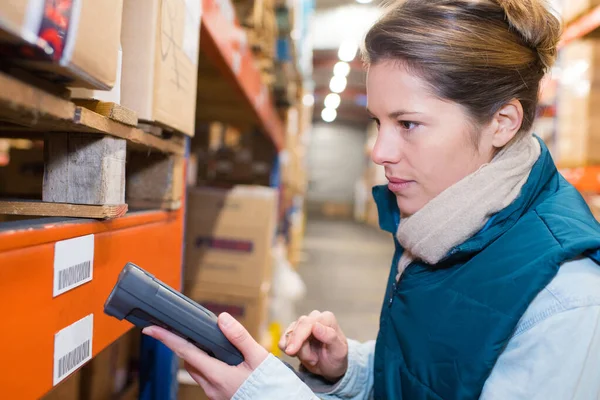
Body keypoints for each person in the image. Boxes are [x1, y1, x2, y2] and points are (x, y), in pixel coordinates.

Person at [143, 0, 600, 398]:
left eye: (408, 124)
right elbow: (435, 378)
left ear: (501, 122)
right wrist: (353, 371)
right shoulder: (445, 223)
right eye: (379, 123)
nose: (379, 152)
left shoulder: (567, 303)